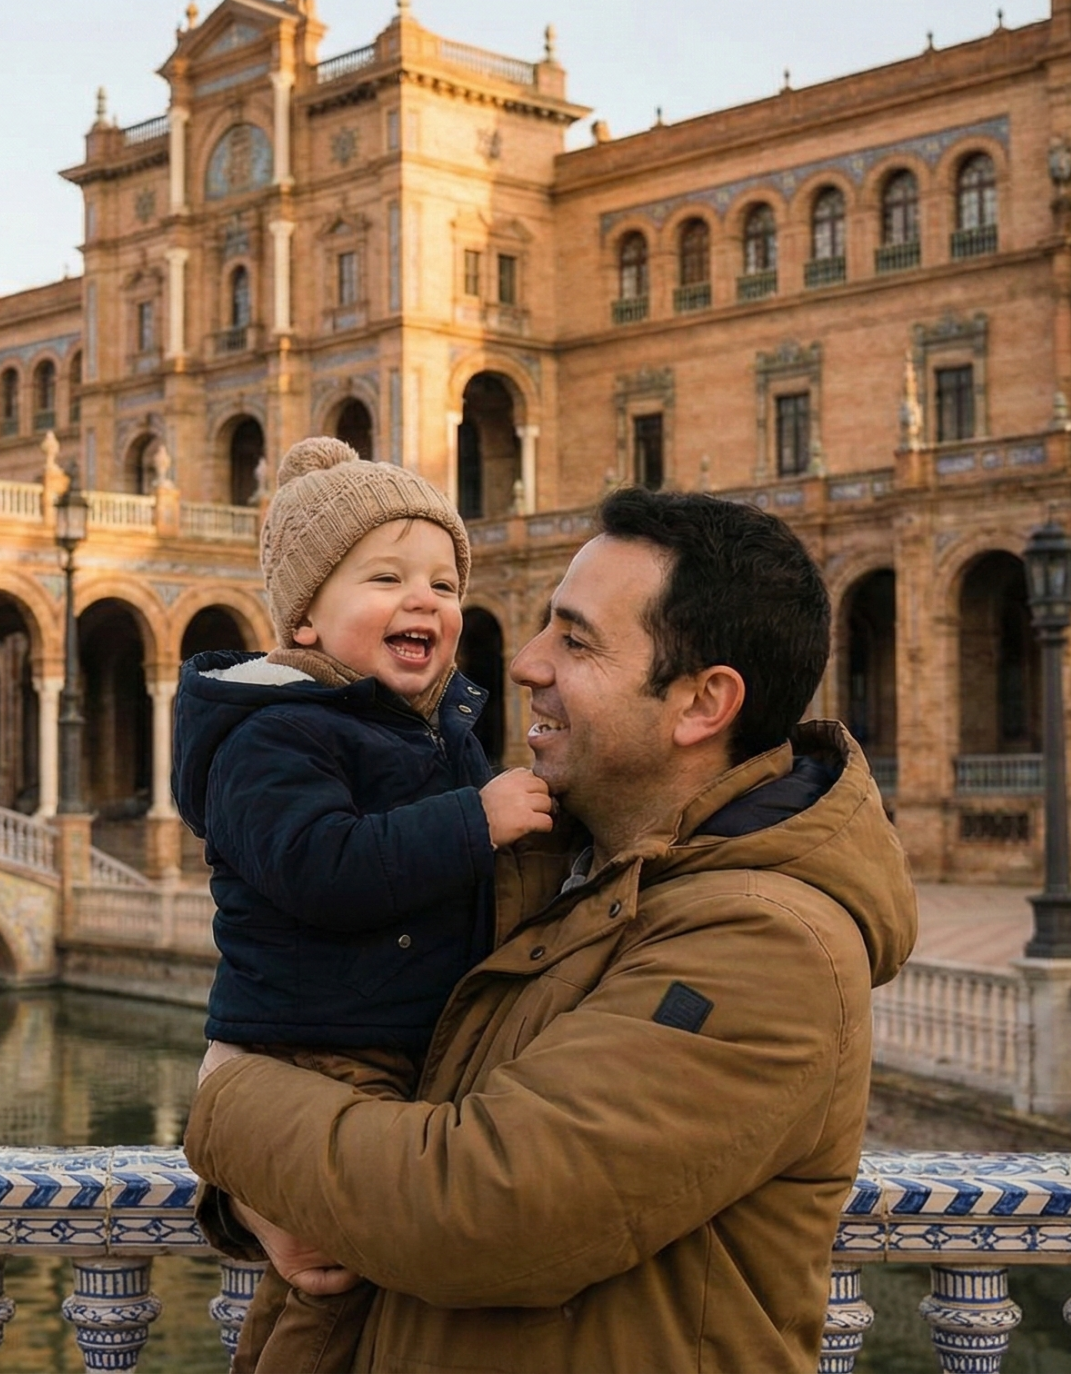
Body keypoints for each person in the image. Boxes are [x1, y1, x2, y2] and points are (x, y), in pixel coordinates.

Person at [186, 488, 919, 1373]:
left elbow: (479, 1213)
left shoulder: (766, 948)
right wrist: (254, 1196)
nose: (526, 663)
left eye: (574, 640)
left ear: (701, 704)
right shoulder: (548, 863)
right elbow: (352, 1059)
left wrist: (226, 1099)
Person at [173, 436, 555, 1371]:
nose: (424, 598)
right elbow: (320, 865)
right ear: (303, 620)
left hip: (395, 1043)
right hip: (318, 1050)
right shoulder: (275, 735)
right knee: (332, 1284)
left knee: (341, 1277)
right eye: (386, 578)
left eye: (443, 582)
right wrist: (477, 820)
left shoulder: (432, 727)